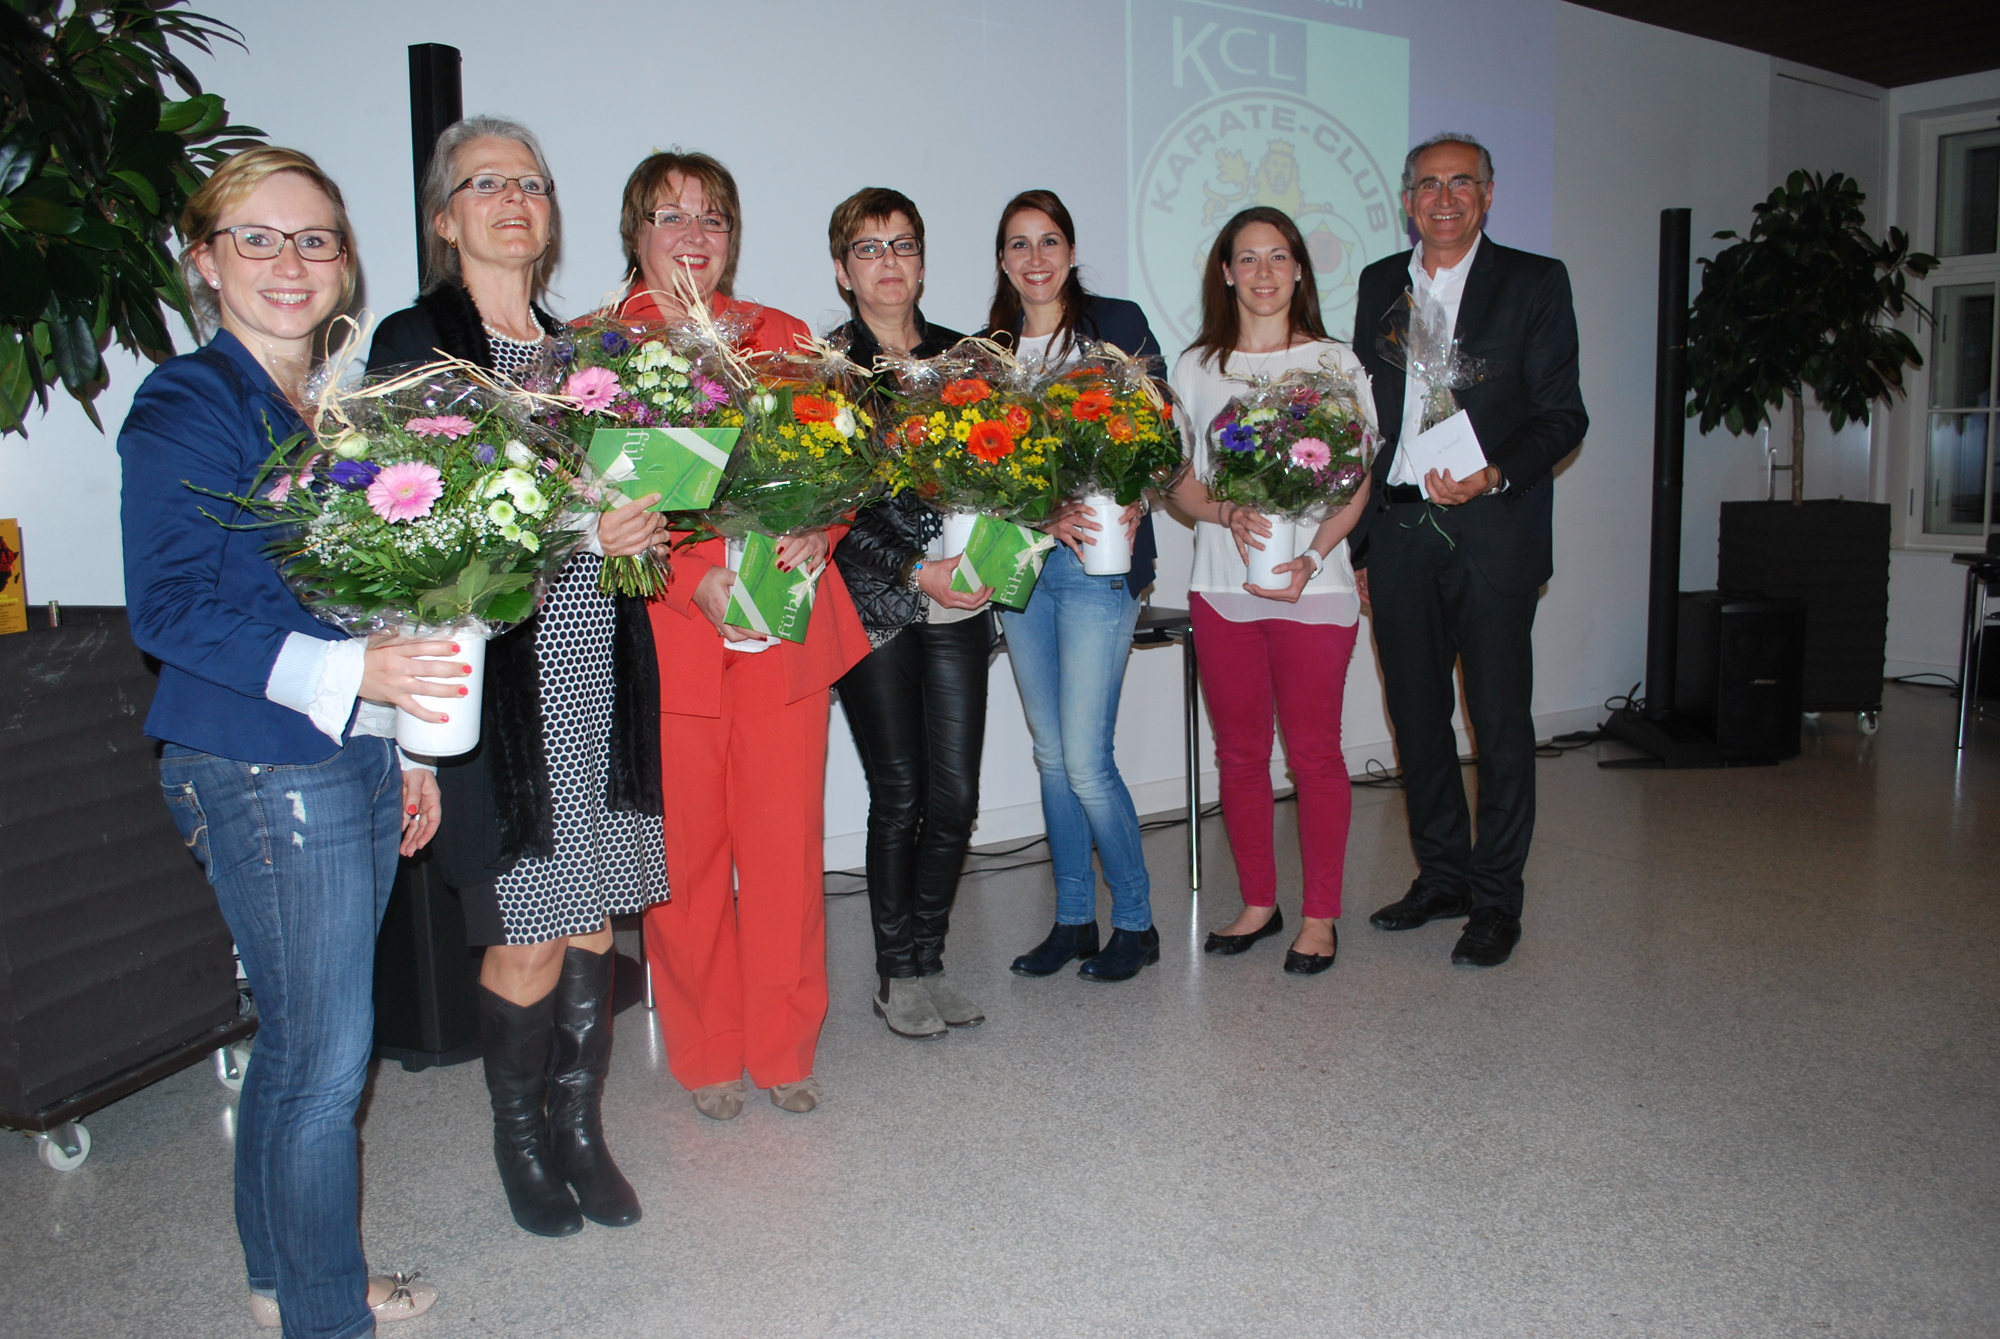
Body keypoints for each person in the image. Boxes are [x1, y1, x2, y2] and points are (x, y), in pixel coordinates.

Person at [120, 146, 442, 1337]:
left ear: (343, 261)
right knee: (324, 1063)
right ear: (205, 263)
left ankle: (280, 1280)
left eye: (314, 239)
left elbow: (364, 598)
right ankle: (325, 1312)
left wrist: (402, 742)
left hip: (342, 749)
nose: (290, 262)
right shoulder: (188, 402)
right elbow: (165, 610)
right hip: (258, 761)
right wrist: (354, 679)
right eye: (256, 238)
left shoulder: (330, 409)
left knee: (301, 1047)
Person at [368, 116, 666, 1237]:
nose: (513, 200)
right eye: (486, 183)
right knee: (529, 925)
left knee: (591, 920)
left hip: (597, 663)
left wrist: (642, 521)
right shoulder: (415, 343)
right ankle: (521, 1138)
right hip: (495, 686)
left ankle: (581, 1128)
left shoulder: (586, 354)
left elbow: (623, 503)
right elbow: (410, 522)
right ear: (444, 219)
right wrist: (580, 529)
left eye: (531, 183)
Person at [614, 151, 873, 1118]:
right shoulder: (604, 351)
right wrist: (696, 581)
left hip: (784, 627)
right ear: (636, 232)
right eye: (671, 216)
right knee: (685, 862)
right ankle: (708, 1050)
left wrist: (821, 528)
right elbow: (602, 502)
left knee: (783, 849)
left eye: (713, 217)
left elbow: (843, 464)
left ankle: (784, 1041)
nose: (695, 235)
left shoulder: (784, 335)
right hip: (672, 636)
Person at [1348, 132, 1588, 968]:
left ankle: (1495, 900)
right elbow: (1368, 419)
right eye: (1428, 185)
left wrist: (1493, 473)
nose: (1443, 199)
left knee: (1498, 723)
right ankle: (1443, 877)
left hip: (1492, 525)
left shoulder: (1534, 282)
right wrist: (1362, 544)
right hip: (1400, 529)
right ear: (1406, 200)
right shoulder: (1381, 282)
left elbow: (1563, 415)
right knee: (1416, 719)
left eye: (1461, 183)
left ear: (1487, 195)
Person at [1166, 207, 1375, 976]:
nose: (1263, 272)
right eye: (1247, 258)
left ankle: (1320, 916)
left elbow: (1357, 479)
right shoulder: (1197, 366)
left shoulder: (1335, 362)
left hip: (1314, 589)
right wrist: (1225, 512)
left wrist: (1313, 554)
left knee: (1314, 753)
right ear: (1225, 272)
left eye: (1278, 256)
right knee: (1241, 753)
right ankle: (1259, 901)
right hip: (1222, 587)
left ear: (1299, 270)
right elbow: (1178, 478)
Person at [823, 188, 990, 1039]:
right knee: (899, 792)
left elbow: (1005, 471)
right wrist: (915, 568)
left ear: (922, 262)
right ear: (843, 269)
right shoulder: (826, 370)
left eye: (903, 245)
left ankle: (929, 953)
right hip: (874, 605)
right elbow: (828, 513)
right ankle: (898, 971)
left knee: (955, 795)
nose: (888, 262)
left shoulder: (968, 360)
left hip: (961, 601)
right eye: (869, 247)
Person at [984, 190, 1163, 983]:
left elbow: (1161, 430)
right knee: (1052, 754)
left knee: (1086, 757)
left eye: (1049, 240)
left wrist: (1136, 484)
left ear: (1072, 250)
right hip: (1023, 566)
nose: (1036, 258)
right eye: (1019, 244)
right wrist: (1033, 508)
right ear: (1002, 260)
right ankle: (1073, 920)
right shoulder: (988, 352)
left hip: (1097, 559)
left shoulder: (1116, 325)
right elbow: (980, 467)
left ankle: (1137, 921)